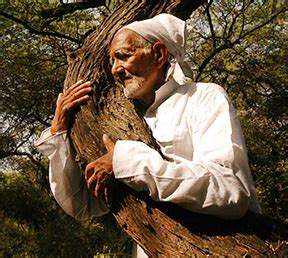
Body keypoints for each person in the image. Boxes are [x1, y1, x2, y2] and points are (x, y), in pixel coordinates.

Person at [35, 13, 261, 255]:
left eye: (123, 56)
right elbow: (82, 205)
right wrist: (59, 130)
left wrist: (128, 162)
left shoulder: (204, 97)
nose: (115, 70)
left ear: (159, 54)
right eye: (111, 61)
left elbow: (231, 191)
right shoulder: (123, 120)